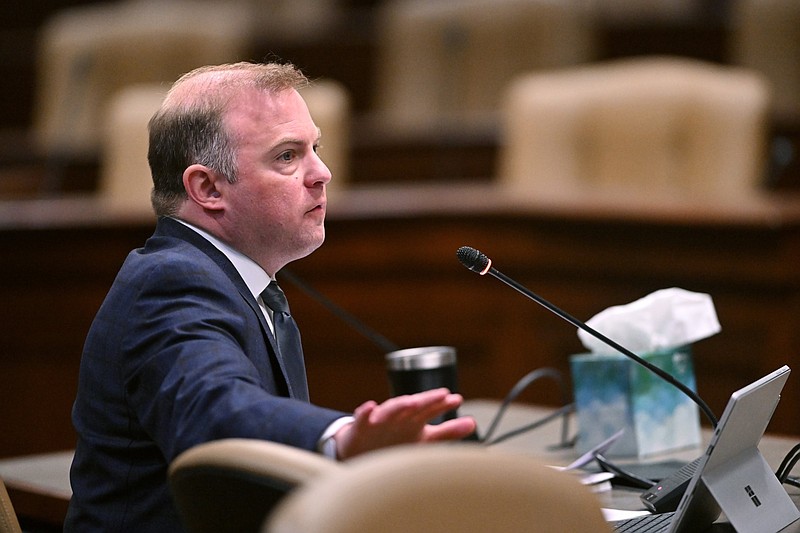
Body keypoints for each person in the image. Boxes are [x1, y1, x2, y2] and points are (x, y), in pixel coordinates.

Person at [63, 62, 477, 531]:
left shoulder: (237, 279)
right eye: (287, 156)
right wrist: (339, 438)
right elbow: (216, 407)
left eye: (315, 148)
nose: (322, 173)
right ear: (207, 188)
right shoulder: (170, 282)